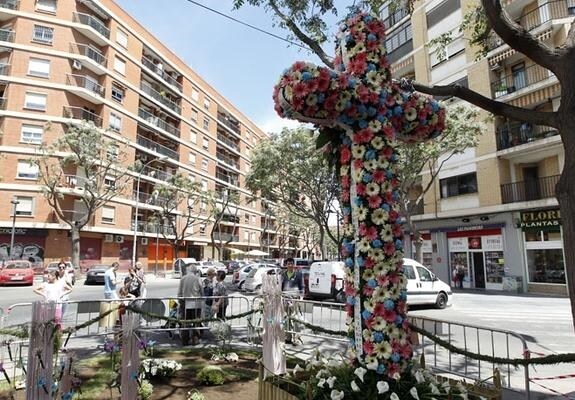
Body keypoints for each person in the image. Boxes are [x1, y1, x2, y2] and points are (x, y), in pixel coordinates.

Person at [177, 263, 203, 346]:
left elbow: (179, 292)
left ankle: (185, 340)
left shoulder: (183, 278)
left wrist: (180, 301)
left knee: (185, 322)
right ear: (195, 271)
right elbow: (202, 291)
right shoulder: (198, 279)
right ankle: (195, 339)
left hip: (185, 302)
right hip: (196, 302)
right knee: (196, 321)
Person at [281, 258, 304, 345]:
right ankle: (288, 337)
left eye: (291, 263)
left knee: (295, 319)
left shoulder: (298, 274)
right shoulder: (283, 275)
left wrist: (301, 297)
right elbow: (281, 287)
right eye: (288, 264)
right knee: (286, 319)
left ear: (293, 265)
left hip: (295, 299)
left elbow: (302, 287)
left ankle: (296, 338)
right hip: (285, 299)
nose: (290, 265)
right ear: (286, 265)